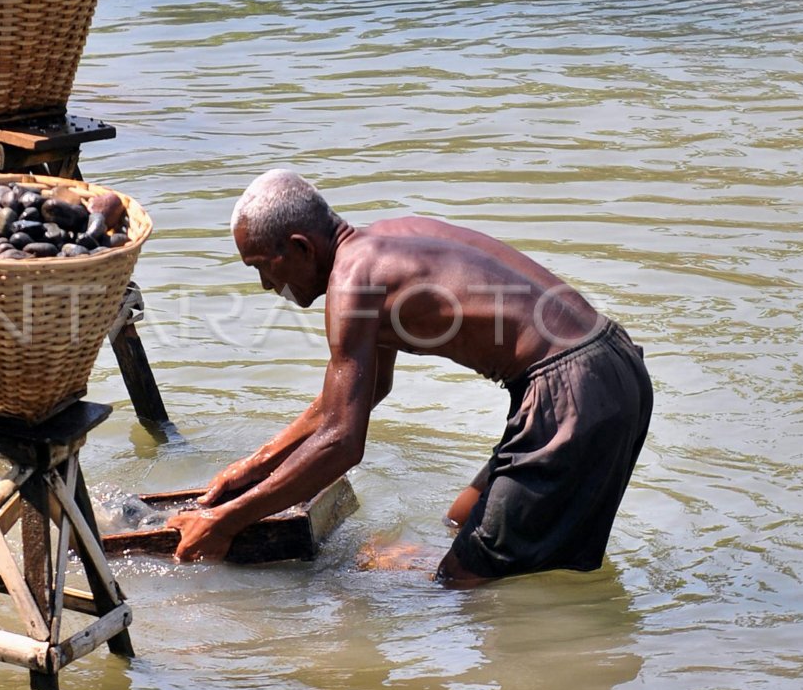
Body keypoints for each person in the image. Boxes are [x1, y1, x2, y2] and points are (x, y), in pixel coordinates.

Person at [166, 170, 653, 583]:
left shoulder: (351, 285)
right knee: (459, 521)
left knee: (458, 585)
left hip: (568, 391)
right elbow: (365, 391)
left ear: (299, 247)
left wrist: (225, 522)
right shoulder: (386, 243)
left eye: (262, 267)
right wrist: (253, 467)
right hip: (612, 361)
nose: (266, 285)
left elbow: (342, 441)